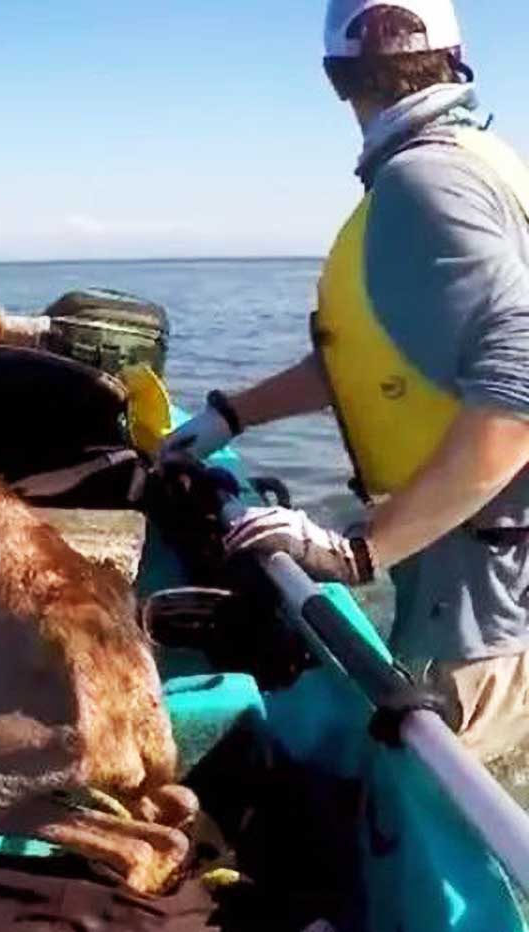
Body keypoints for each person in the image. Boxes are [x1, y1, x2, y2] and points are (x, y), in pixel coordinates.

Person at [161, 0, 529, 761]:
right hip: (476, 556)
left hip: (486, 582)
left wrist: (360, 553)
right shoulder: (475, 160)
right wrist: (232, 415)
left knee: (457, 790)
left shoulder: (426, 184)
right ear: (456, 58)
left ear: (335, 77)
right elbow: (377, 359)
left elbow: (521, 377)